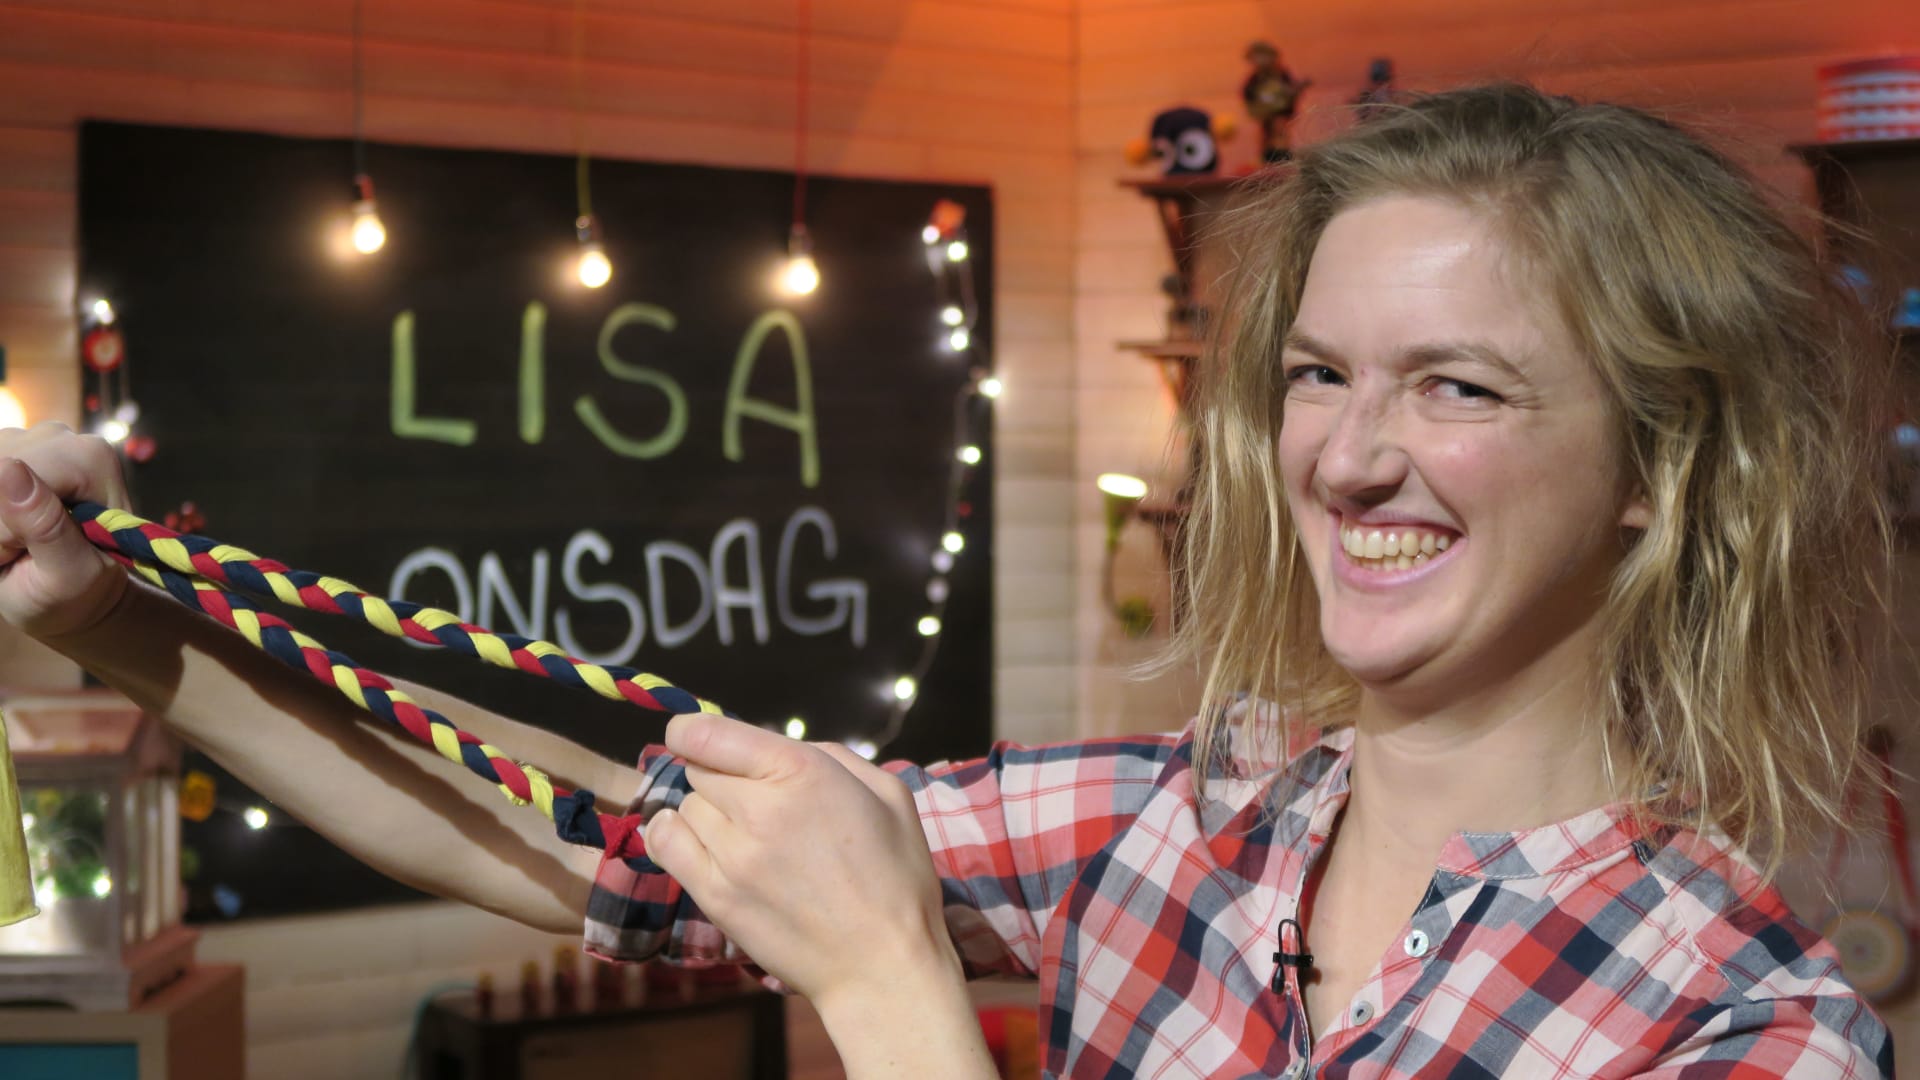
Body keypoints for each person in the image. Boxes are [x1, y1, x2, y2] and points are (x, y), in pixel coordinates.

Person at [0, 83, 1897, 1076]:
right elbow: (588, 841)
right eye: (1320, 373)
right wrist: (103, 615)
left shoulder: (1739, 1032)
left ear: (1662, 469)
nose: (1345, 457)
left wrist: (889, 986)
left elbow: (854, 942)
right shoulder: (1182, 829)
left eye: (1459, 388)